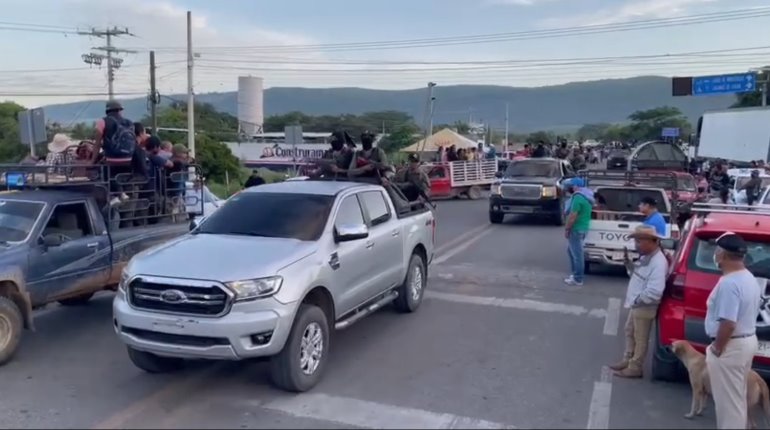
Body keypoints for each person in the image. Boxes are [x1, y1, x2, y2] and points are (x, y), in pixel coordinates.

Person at [705, 232, 761, 429]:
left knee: (728, 405)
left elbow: (728, 322)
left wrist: (718, 348)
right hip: (746, 341)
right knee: (736, 400)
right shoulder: (748, 277)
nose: (715, 254)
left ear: (723, 255)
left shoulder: (730, 283)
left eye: (716, 251)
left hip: (731, 345)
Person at [610, 225, 668, 378]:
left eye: (639, 242)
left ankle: (635, 367)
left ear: (652, 242)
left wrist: (638, 299)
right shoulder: (646, 257)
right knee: (629, 331)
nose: (636, 245)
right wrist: (629, 265)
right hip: (638, 303)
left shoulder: (658, 262)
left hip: (644, 305)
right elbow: (638, 275)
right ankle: (628, 359)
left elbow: (655, 290)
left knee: (640, 337)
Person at [563, 177, 594, 286]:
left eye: (570, 187)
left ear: (575, 187)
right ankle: (575, 274)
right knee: (571, 251)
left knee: (577, 254)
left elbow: (572, 216)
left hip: (576, 228)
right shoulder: (587, 197)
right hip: (583, 228)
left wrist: (567, 229)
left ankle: (577, 278)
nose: (568, 189)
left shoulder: (577, 198)